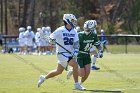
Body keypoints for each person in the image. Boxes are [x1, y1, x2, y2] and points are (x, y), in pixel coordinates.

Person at [37, 14, 86, 90]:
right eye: (72, 20)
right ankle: (76, 84)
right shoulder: (60, 30)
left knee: (58, 71)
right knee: (75, 65)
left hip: (70, 53)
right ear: (67, 21)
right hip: (61, 53)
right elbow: (51, 38)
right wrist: (52, 40)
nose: (74, 22)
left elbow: (76, 43)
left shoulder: (74, 31)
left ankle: (43, 78)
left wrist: (76, 50)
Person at [67, 20, 103, 89]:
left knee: (87, 73)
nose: (86, 29)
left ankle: (79, 85)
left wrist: (100, 51)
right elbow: (74, 45)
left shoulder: (94, 35)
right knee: (81, 74)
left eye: (88, 28)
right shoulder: (79, 35)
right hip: (79, 56)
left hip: (87, 56)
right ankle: (73, 70)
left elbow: (98, 45)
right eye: (85, 28)